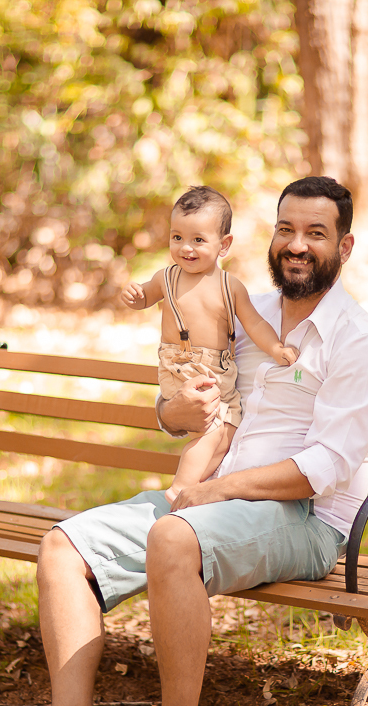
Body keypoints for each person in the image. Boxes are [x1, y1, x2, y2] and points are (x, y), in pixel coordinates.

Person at [0, 177, 368, 706]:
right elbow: (174, 412)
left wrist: (215, 493)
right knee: (64, 545)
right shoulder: (243, 310)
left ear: (346, 245)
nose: (297, 245)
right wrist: (183, 411)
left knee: (173, 538)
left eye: (315, 233)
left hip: (305, 517)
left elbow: (323, 469)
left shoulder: (360, 343)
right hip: (216, 492)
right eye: (286, 230)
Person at [119, 186, 298, 502]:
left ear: (224, 244)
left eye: (198, 240)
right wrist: (137, 298)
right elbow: (146, 295)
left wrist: (275, 347)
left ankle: (200, 484)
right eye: (177, 238)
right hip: (183, 365)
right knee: (216, 429)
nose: (185, 248)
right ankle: (181, 489)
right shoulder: (167, 278)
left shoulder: (230, 288)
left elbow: (254, 323)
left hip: (216, 366)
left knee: (226, 432)